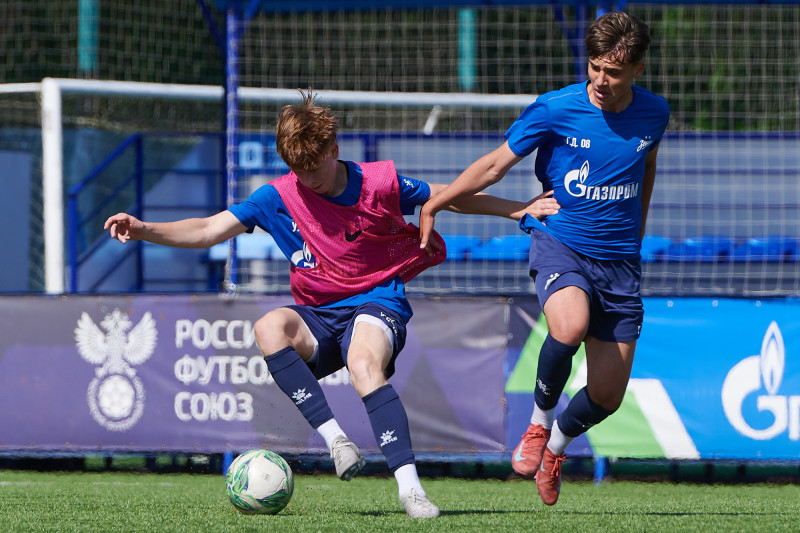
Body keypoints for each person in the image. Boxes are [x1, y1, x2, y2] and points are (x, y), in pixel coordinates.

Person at [104, 91, 557, 518]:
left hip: (377, 300)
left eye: (316, 167)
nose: (310, 179)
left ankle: (411, 489)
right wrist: (145, 229)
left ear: (334, 147)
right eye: (299, 171)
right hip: (319, 316)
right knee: (268, 327)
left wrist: (518, 209)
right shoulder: (276, 198)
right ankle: (336, 440)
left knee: (363, 362)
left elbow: (448, 197)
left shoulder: (377, 184)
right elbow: (206, 230)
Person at [419, 11, 669, 506]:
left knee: (607, 396)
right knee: (569, 325)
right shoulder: (555, 109)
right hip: (562, 242)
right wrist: (435, 202)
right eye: (595, 66)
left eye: (614, 72)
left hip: (620, 264)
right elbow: (494, 165)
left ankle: (555, 448)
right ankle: (538, 422)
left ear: (638, 69)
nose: (601, 80)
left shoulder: (655, 114)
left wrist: (637, 229)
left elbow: (648, 166)